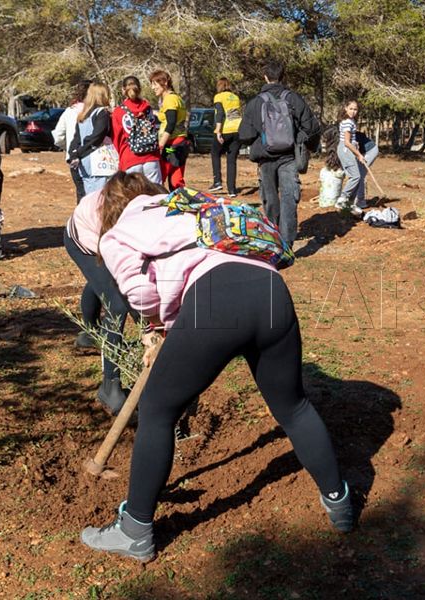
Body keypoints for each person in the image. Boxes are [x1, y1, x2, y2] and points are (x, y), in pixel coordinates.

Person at [82, 174, 353, 561]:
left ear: (110, 208)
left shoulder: (118, 233)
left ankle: (135, 530)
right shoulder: (187, 205)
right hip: (271, 290)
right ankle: (339, 501)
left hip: (214, 301)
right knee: (293, 406)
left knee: (158, 410)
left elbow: (141, 294)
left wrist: (160, 328)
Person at [64, 172, 162, 411]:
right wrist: (148, 327)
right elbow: (128, 280)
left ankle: (89, 335)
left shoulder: (156, 199)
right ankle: (110, 386)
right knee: (116, 301)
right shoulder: (108, 220)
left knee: (101, 284)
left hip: (108, 235)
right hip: (83, 240)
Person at [237, 60, 321, 251]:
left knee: (270, 197)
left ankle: (272, 237)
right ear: (283, 76)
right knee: (289, 197)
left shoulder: (255, 102)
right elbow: (311, 127)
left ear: (265, 77)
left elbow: (245, 135)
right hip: (289, 157)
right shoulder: (293, 99)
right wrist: (296, 139)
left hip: (265, 158)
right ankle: (287, 243)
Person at [112, 75, 163, 185]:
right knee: (156, 196)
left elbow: (117, 138)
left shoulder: (119, 111)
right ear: (139, 89)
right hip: (151, 157)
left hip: (130, 158)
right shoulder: (148, 109)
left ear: (123, 90)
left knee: (134, 197)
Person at [68, 82, 116, 195]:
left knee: (89, 198)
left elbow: (76, 139)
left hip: (84, 162)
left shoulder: (83, 115)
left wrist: (74, 153)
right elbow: (97, 136)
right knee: (100, 199)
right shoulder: (102, 113)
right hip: (100, 163)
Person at [335, 99, 379, 216]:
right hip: (346, 150)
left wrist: (356, 146)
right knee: (356, 176)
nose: (353, 111)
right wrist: (359, 155)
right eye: (351, 109)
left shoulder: (350, 121)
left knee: (356, 176)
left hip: (348, 150)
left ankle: (350, 204)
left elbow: (351, 141)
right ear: (345, 108)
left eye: (355, 109)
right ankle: (343, 199)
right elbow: (347, 142)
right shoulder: (348, 122)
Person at [149, 70, 189, 190]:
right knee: (176, 180)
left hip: (173, 144)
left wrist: (160, 144)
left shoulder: (170, 99)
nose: (153, 87)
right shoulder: (176, 98)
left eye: (155, 84)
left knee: (159, 177)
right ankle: (178, 204)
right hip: (180, 142)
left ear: (165, 82)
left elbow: (171, 124)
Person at [54, 80, 91, 201]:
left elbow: (58, 136)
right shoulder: (96, 111)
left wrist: (68, 147)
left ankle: (81, 218)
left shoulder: (69, 112)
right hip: (93, 157)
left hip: (73, 157)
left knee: (81, 192)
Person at [209, 77, 242, 195]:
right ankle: (232, 189)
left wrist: (218, 131)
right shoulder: (236, 97)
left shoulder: (219, 97)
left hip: (226, 129)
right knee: (231, 159)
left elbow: (220, 114)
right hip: (238, 129)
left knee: (215, 153)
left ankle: (217, 181)